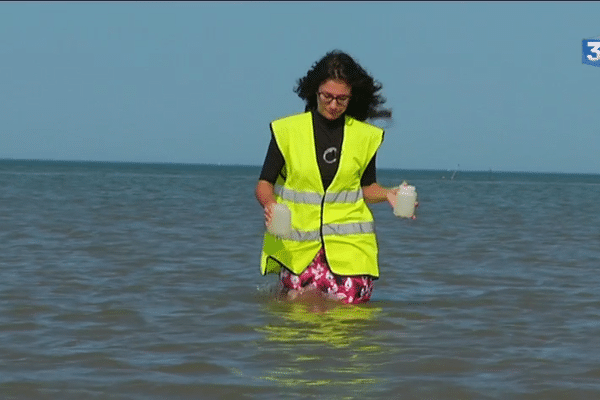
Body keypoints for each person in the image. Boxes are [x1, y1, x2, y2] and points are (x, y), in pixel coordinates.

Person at [255, 50, 401, 305]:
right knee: (301, 318)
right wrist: (270, 204)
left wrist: (388, 194)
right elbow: (264, 183)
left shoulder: (365, 137)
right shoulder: (287, 131)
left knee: (349, 329)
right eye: (327, 97)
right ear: (315, 92)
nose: (334, 105)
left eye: (342, 99)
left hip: (351, 254)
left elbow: (366, 188)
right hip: (299, 251)